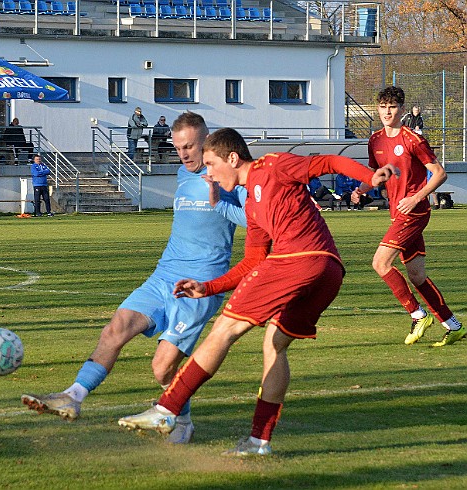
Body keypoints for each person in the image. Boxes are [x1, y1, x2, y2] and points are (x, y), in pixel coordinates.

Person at [117, 127, 395, 455]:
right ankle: (258, 441)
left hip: (297, 260)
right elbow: (252, 262)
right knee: (274, 345)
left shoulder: (274, 165)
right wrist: (207, 287)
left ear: (233, 158)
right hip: (328, 272)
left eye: (210, 163)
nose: (207, 172)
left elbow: (330, 160)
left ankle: (167, 410)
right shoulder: (251, 207)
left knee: (224, 329)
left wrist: (370, 175)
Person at [21, 112, 248, 444]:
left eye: (189, 147)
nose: (183, 154)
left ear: (206, 143)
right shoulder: (182, 175)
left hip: (199, 287)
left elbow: (252, 217)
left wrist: (220, 198)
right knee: (116, 328)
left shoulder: (226, 178)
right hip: (163, 276)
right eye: (178, 147)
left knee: (162, 369)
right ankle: (73, 396)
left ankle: (181, 419)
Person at [353, 86, 465, 347]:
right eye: (382, 107)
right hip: (397, 213)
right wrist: (361, 189)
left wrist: (416, 197)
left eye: (392, 107)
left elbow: (440, 173)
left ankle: (418, 315)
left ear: (402, 110)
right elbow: (377, 174)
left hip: (415, 212)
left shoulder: (412, 139)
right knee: (416, 275)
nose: (387, 111)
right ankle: (453, 325)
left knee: (380, 263)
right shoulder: (375, 140)